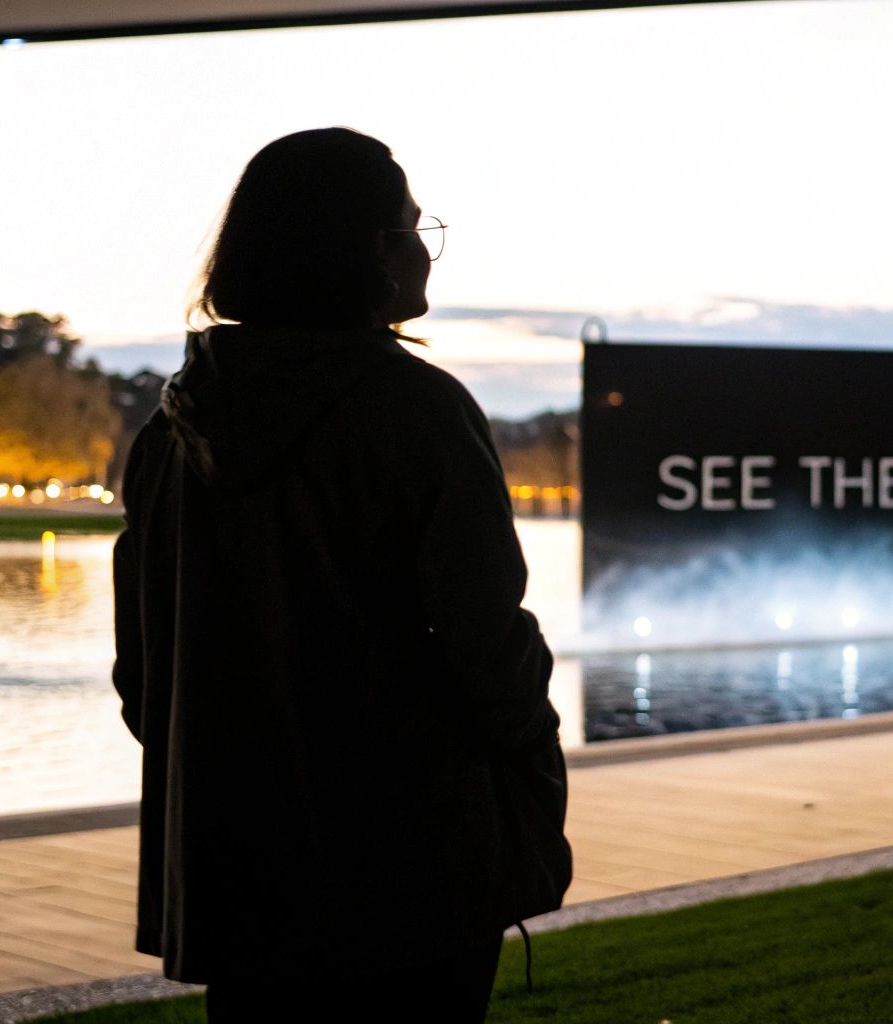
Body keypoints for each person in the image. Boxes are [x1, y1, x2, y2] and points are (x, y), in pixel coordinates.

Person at [112, 127, 570, 1021]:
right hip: (412, 875)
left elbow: (144, 674)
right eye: (413, 227)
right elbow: (487, 646)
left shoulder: (174, 428)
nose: (424, 250)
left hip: (239, 879)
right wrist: (529, 764)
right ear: (375, 252)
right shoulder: (416, 409)